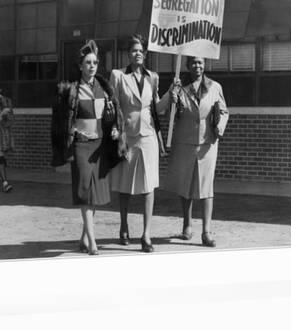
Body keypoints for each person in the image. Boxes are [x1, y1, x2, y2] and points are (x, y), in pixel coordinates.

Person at [51, 40, 126, 256]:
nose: (92, 66)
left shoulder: (104, 88)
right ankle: (93, 242)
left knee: (95, 194)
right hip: (82, 147)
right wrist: (71, 132)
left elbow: (112, 118)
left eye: (95, 62)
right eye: (88, 62)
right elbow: (61, 120)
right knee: (84, 190)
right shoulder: (71, 91)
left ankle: (84, 237)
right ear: (80, 66)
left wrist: (114, 130)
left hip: (100, 146)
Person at [159, 56, 229, 247]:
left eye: (200, 62)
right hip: (184, 143)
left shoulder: (215, 87)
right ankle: (187, 225)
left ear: (204, 65)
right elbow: (166, 113)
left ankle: (206, 231)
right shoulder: (179, 87)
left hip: (208, 143)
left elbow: (223, 111)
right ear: (187, 65)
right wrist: (172, 98)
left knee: (207, 187)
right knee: (186, 185)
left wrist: (220, 127)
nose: (197, 66)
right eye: (193, 63)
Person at [109, 34, 163, 253]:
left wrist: (172, 94)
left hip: (148, 137)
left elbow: (157, 109)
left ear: (145, 54)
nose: (137, 53)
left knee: (148, 186)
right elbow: (112, 106)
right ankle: (123, 225)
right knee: (126, 185)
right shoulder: (119, 76)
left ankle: (146, 234)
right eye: (134, 50)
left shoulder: (153, 78)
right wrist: (114, 128)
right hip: (127, 137)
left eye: (141, 50)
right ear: (128, 54)